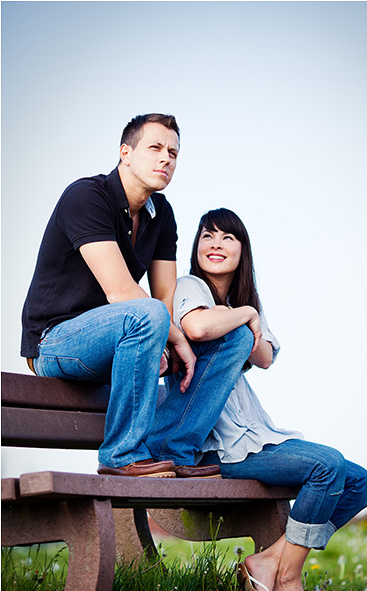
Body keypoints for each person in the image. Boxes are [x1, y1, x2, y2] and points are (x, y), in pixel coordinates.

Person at [173, 208, 367, 591]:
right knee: (327, 466)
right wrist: (245, 318)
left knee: (358, 483)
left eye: (228, 238)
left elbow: (264, 356)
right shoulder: (188, 287)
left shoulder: (242, 303)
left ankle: (268, 561)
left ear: (242, 251)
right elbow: (196, 328)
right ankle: (289, 579)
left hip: (255, 434)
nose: (216, 244)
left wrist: (246, 311)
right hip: (219, 447)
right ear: (196, 247)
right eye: (207, 236)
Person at [20, 113, 239, 479]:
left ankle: (176, 448)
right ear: (125, 152)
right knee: (147, 314)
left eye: (173, 152)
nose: (166, 158)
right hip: (55, 344)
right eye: (155, 147)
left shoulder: (161, 214)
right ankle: (121, 456)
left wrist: (172, 342)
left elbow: (166, 290)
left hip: (118, 343)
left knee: (234, 335)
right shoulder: (87, 196)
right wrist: (174, 340)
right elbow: (122, 291)